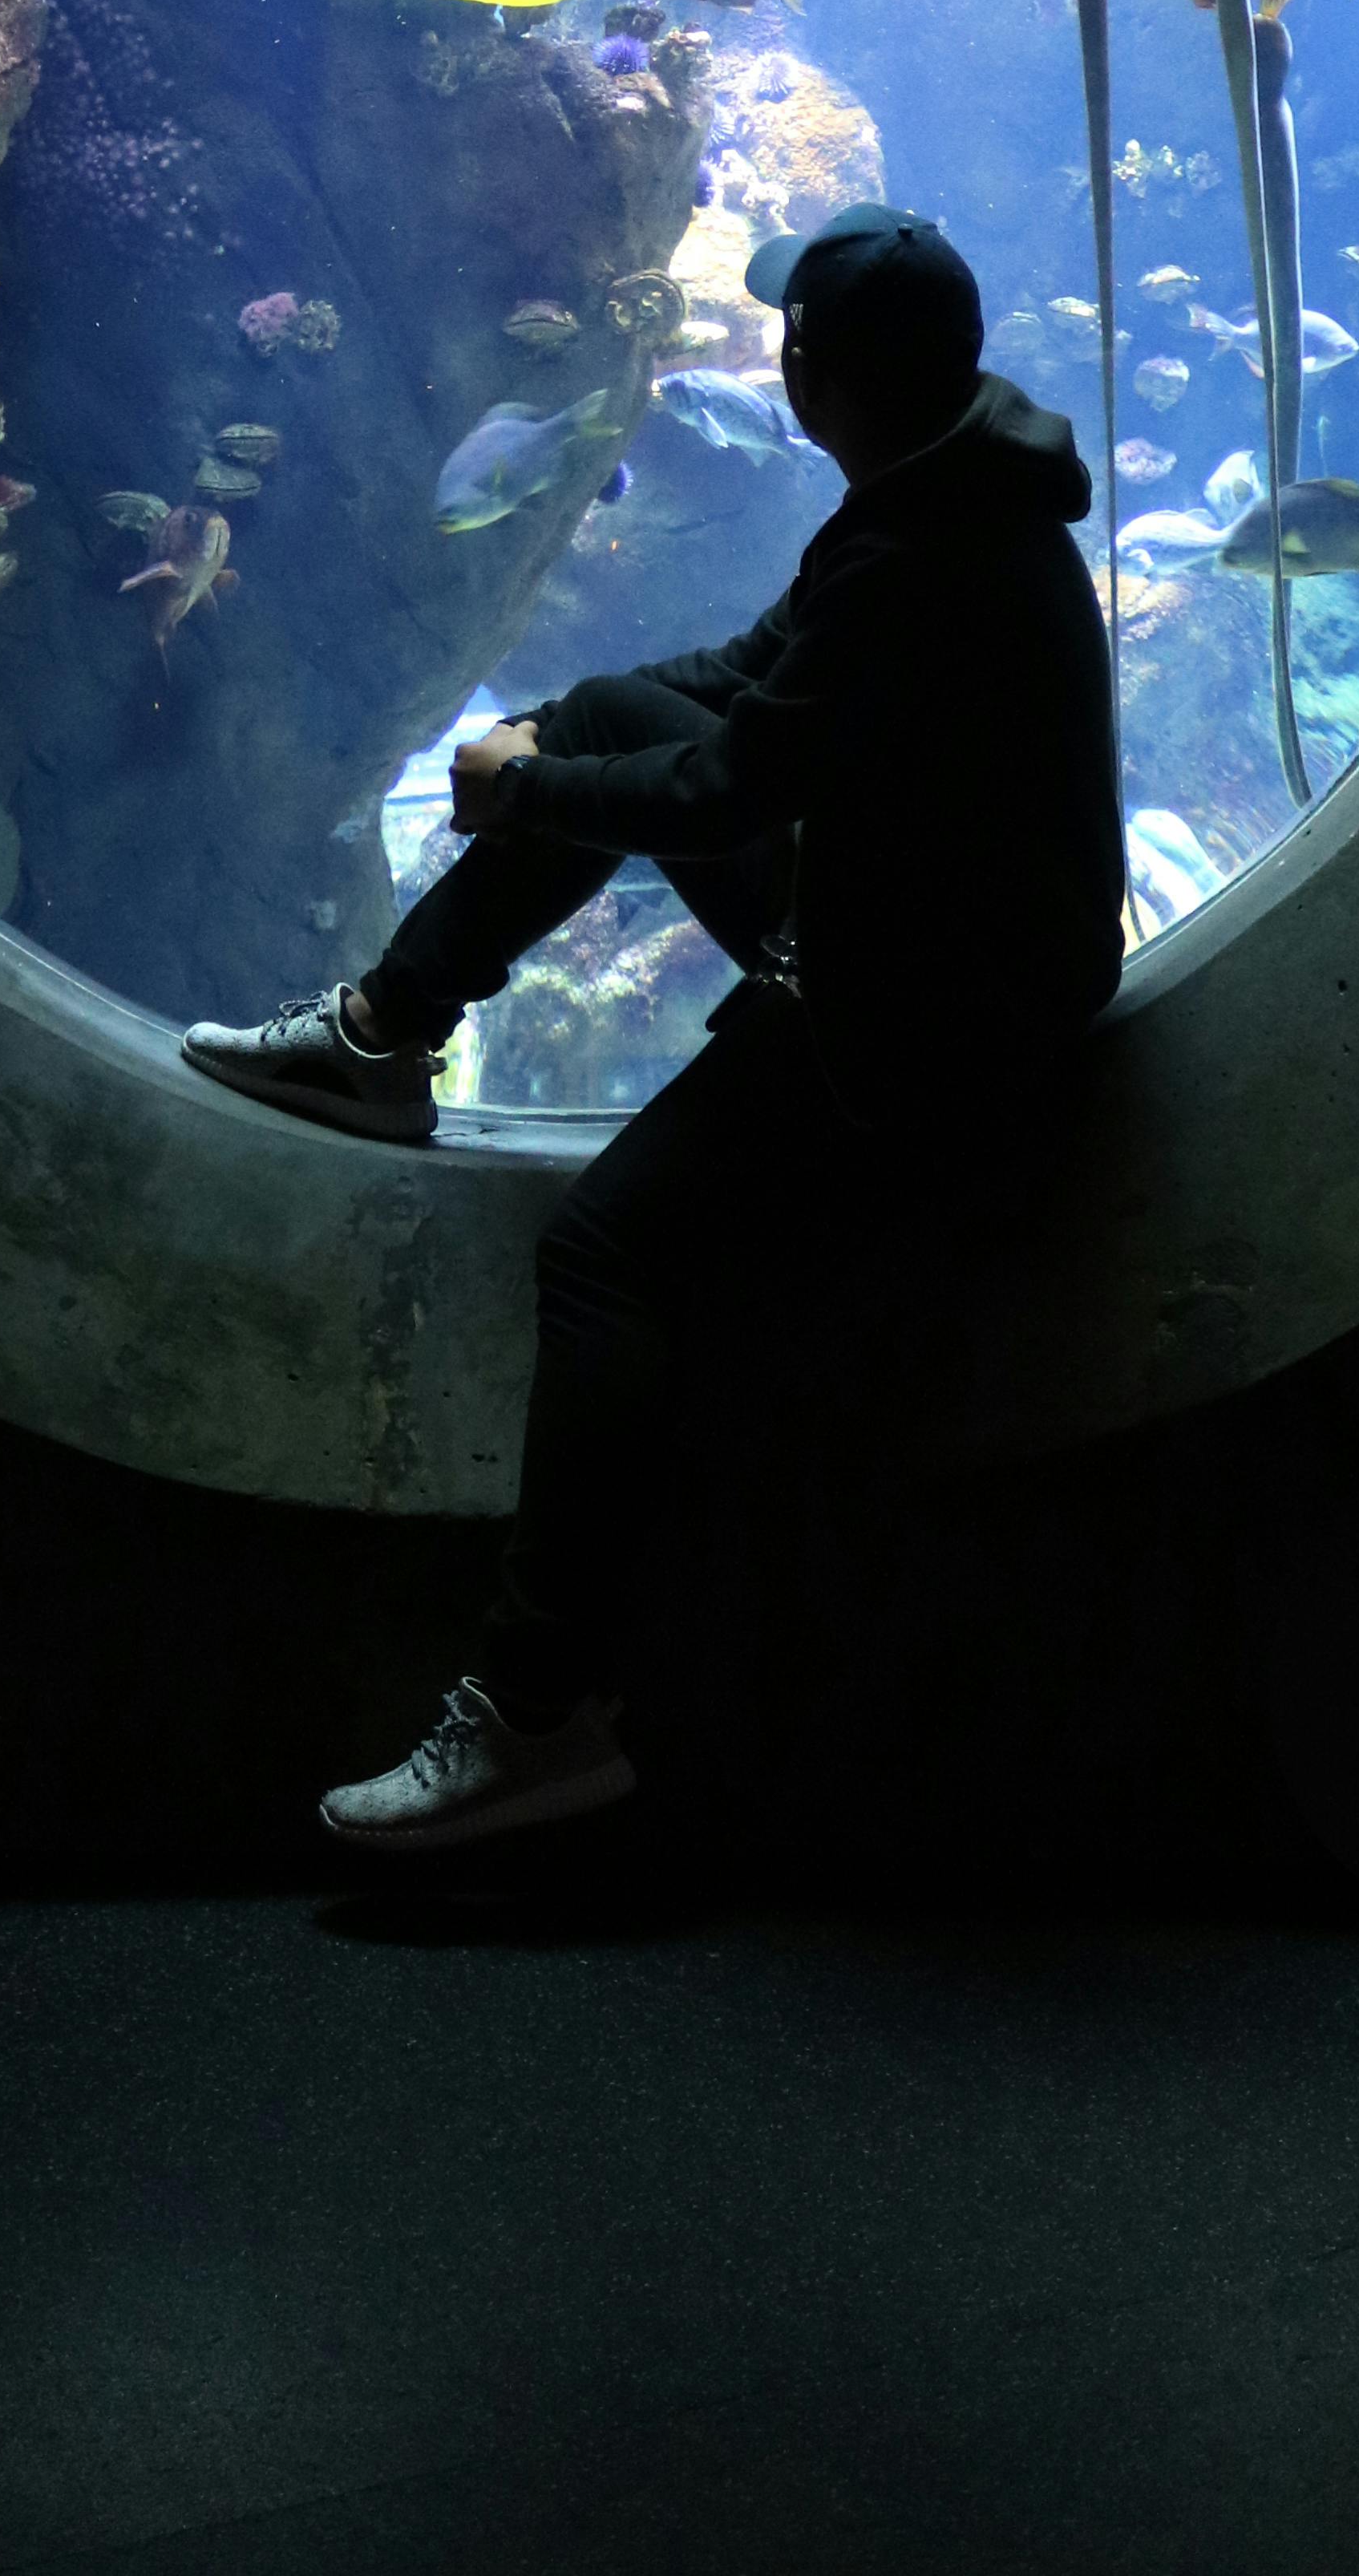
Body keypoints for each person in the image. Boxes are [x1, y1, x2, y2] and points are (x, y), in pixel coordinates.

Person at [182, 202, 1126, 1853]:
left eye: (795, 343)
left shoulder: (917, 551)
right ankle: (382, 1036)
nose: (780, 362)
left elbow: (729, 787)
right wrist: (554, 730)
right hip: (932, 933)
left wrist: (527, 787)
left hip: (922, 1020)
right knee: (617, 708)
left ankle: (538, 1717)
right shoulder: (946, 481)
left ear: (816, 371)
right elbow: (757, 678)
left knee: (605, 1258)